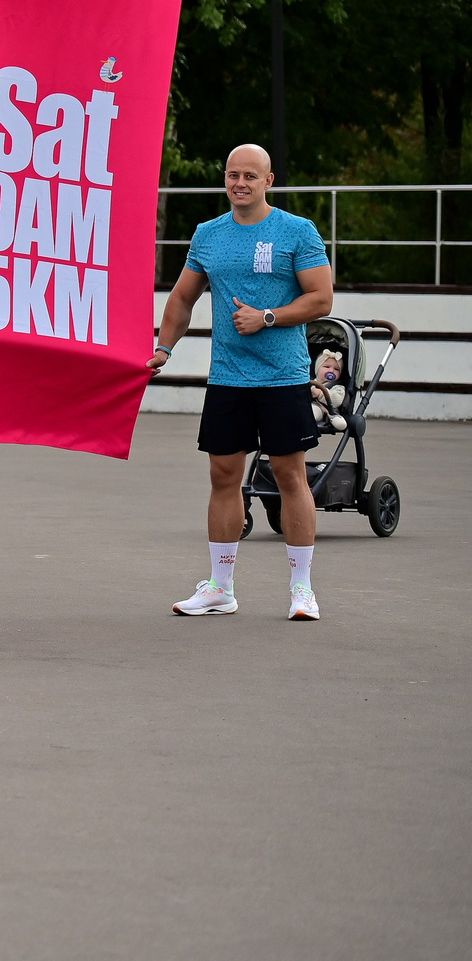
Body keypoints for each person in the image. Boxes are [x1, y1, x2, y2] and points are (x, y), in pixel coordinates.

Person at [151, 143, 334, 620]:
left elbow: (321, 299)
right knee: (223, 477)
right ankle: (220, 587)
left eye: (250, 175)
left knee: (290, 477)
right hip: (228, 379)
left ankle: (302, 591)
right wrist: (163, 348)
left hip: (282, 377)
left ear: (268, 181)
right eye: (233, 175)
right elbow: (182, 298)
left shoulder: (297, 231)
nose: (240, 183)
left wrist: (268, 317)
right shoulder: (208, 235)